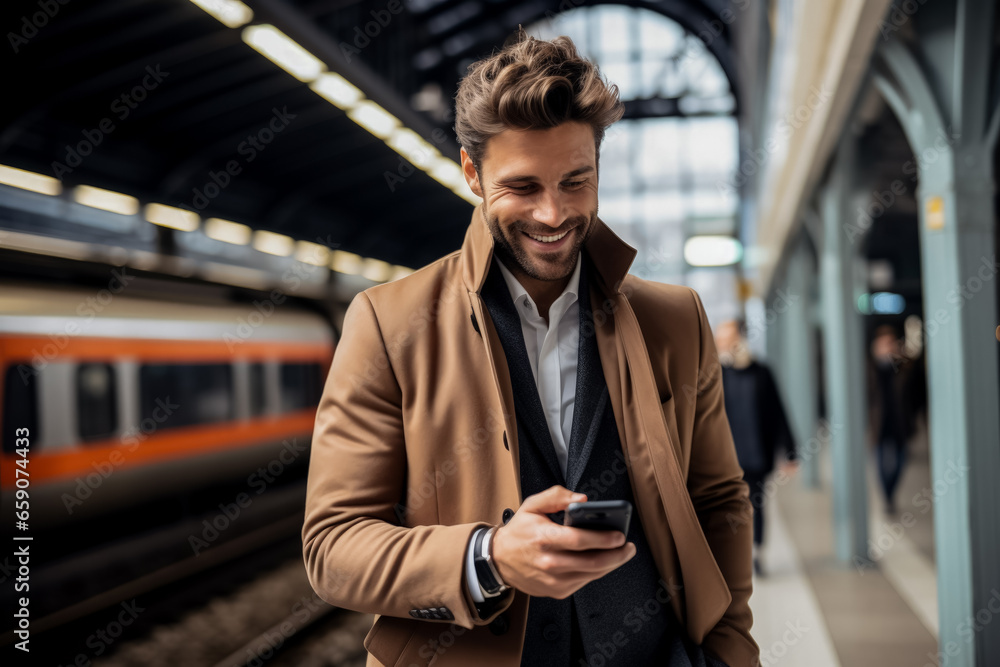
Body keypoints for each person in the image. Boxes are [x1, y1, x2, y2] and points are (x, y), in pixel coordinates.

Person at [302, 27, 758, 667]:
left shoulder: (675, 320)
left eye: (577, 181)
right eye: (523, 187)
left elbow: (719, 500)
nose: (553, 214)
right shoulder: (386, 323)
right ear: (471, 174)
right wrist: (486, 557)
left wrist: (731, 651)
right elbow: (332, 546)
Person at [713, 320, 798, 577]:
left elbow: (778, 411)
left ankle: (758, 552)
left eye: (727, 339)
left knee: (757, 505)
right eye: (720, 340)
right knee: (728, 508)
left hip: (757, 454)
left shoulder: (762, 372)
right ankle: (732, 557)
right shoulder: (715, 374)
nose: (723, 344)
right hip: (725, 459)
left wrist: (790, 451)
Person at [866, 325, 915, 514]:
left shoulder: (902, 367)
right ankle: (887, 497)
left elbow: (914, 390)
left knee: (901, 463)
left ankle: (891, 493)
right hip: (879, 425)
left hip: (899, 423)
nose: (887, 348)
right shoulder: (870, 369)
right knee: (880, 466)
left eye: (890, 344)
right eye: (883, 344)